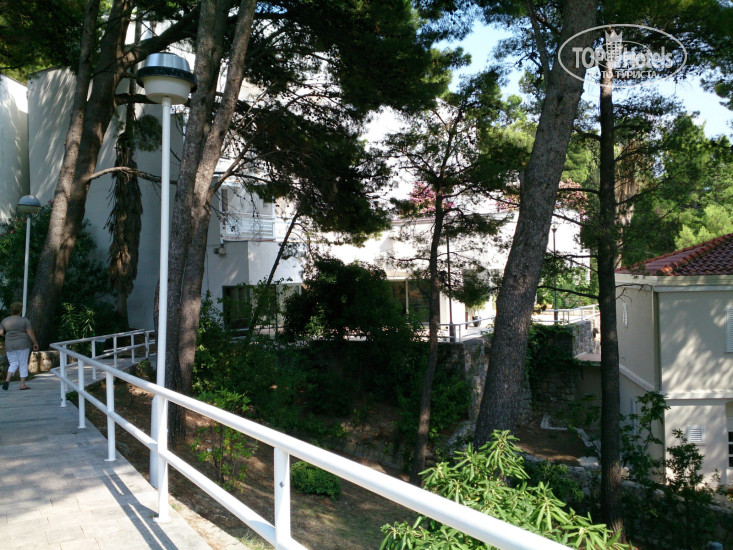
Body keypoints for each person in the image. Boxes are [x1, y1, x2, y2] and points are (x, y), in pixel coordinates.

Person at [1, 302, 39, 390]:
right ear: (20, 310)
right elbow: (30, 332)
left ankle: (7, 380)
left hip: (9, 345)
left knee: (13, 363)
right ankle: (22, 385)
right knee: (23, 363)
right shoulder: (24, 320)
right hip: (22, 344)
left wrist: (9, 334)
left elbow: (1, 333)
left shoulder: (4, 321)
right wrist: (35, 343)